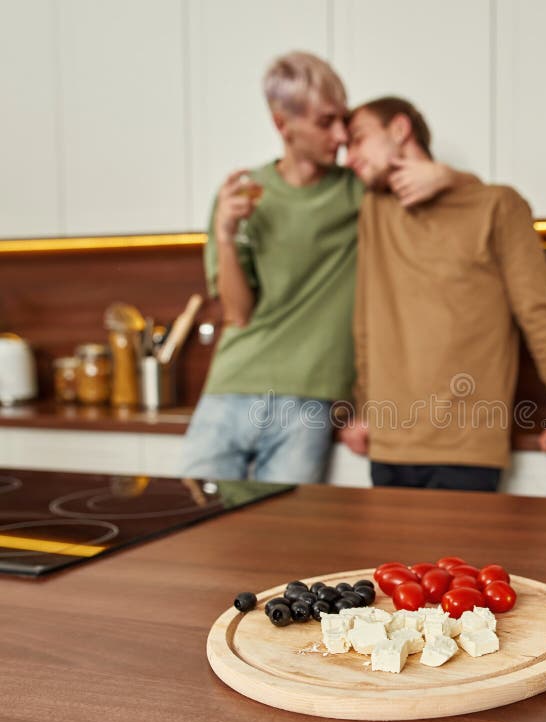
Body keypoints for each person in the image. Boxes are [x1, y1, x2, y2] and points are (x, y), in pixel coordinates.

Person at [181, 55, 460, 483]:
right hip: (230, 388)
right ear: (282, 124)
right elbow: (238, 313)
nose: (340, 135)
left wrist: (446, 176)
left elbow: (429, 193)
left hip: (309, 400)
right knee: (189, 532)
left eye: (342, 120)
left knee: (283, 542)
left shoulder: (356, 190)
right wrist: (224, 233)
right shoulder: (244, 194)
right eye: (325, 122)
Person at [340, 96, 546, 492]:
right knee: (386, 559)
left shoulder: (499, 206)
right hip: (388, 445)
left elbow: (537, 313)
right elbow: (365, 322)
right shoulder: (375, 209)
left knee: (458, 559)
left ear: (399, 129)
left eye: (357, 139)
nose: (348, 157)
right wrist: (365, 405)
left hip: (466, 449)